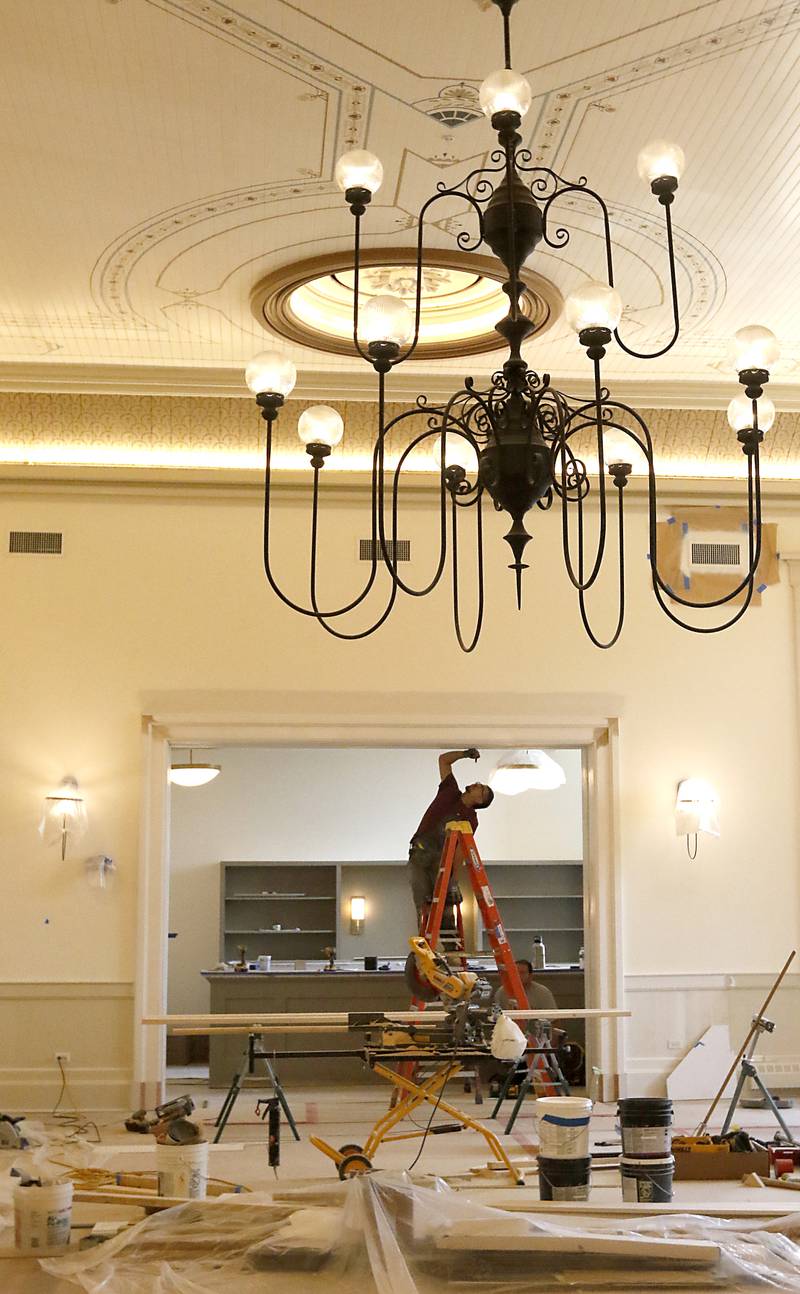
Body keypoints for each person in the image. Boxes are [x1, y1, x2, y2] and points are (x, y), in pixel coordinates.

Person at [407, 748, 494, 919]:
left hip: (441, 860)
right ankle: (425, 940)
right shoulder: (450, 790)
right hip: (420, 853)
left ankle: (450, 943)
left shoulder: (470, 820)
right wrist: (465, 754)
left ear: (480, 800)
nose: (477, 784)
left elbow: (460, 850)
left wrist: (453, 879)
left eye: (481, 788)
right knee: (422, 900)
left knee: (445, 904)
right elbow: (444, 760)